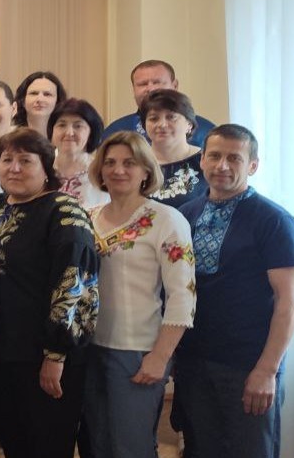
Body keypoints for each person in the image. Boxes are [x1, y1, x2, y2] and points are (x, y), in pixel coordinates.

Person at [174, 124, 294, 458]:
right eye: (215, 156)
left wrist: (267, 370)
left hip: (248, 366)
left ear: (253, 166)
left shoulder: (275, 221)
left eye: (234, 158)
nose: (222, 165)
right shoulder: (185, 215)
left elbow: (289, 303)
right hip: (194, 362)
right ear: (202, 160)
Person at [0, 128, 99, 458]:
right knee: (13, 441)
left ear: (47, 168)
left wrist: (55, 355)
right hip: (0, 351)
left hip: (45, 356)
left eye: (25, 161)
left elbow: (75, 284)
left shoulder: (64, 212)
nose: (14, 168)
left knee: (45, 443)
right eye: (7, 160)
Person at [81, 131, 196, 457]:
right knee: (96, 445)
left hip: (137, 352)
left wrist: (161, 356)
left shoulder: (166, 220)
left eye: (129, 163)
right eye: (110, 163)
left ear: (146, 170)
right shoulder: (87, 217)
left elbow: (183, 296)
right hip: (89, 349)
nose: (118, 170)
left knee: (131, 447)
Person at [103, 60, 216, 141]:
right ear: (133, 89)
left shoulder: (206, 132)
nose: (150, 89)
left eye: (157, 82)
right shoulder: (115, 132)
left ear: (175, 86)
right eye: (142, 84)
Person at [141, 89, 208, 208]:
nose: (162, 124)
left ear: (189, 124)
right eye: (154, 118)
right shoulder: (136, 162)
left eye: (171, 117)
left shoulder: (206, 161)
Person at [48, 99, 108, 209]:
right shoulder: (42, 172)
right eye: (62, 125)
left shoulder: (103, 174)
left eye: (78, 126)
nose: (69, 133)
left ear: (91, 134)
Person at [13, 72, 67, 137]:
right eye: (34, 93)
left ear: (58, 101)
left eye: (47, 94)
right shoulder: (9, 137)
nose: (40, 99)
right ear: (22, 101)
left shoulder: (66, 137)